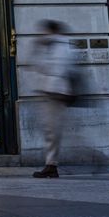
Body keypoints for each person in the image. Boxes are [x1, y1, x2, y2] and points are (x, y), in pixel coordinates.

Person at [29, 20, 77, 179]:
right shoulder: (52, 45)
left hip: (55, 92)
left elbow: (56, 68)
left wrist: (38, 50)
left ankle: (51, 165)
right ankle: (51, 164)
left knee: (53, 130)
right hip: (51, 91)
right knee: (51, 130)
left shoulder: (59, 46)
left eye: (44, 31)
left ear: (51, 31)